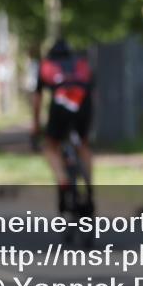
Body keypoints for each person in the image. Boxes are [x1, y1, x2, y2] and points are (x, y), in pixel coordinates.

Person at [31, 38, 95, 214]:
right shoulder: (81, 64)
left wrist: (35, 125)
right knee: (83, 144)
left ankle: (62, 178)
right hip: (83, 102)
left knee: (50, 146)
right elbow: (93, 92)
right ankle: (89, 185)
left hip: (61, 101)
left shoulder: (46, 65)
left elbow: (37, 99)